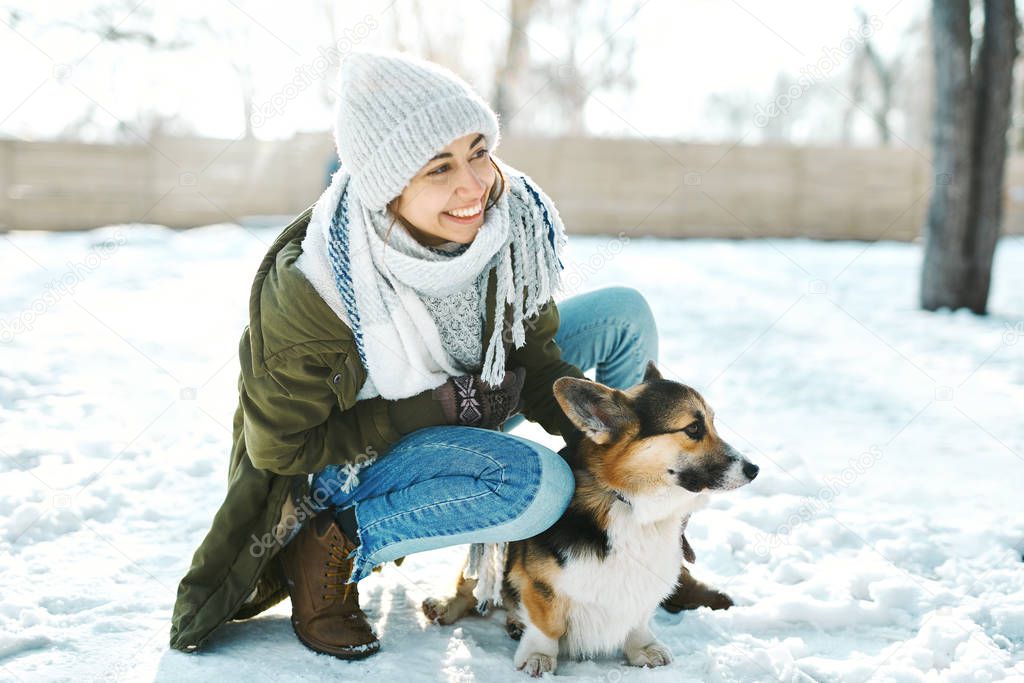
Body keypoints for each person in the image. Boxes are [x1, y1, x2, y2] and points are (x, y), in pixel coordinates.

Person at [169, 49, 723, 660]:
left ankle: (636, 536)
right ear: (386, 188)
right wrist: (430, 408)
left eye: (478, 151)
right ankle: (334, 544)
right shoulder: (316, 286)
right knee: (536, 485)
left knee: (623, 315)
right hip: (356, 451)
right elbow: (279, 447)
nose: (473, 185)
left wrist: (619, 438)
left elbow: (536, 365)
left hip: (470, 398)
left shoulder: (512, 224)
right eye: (439, 168)